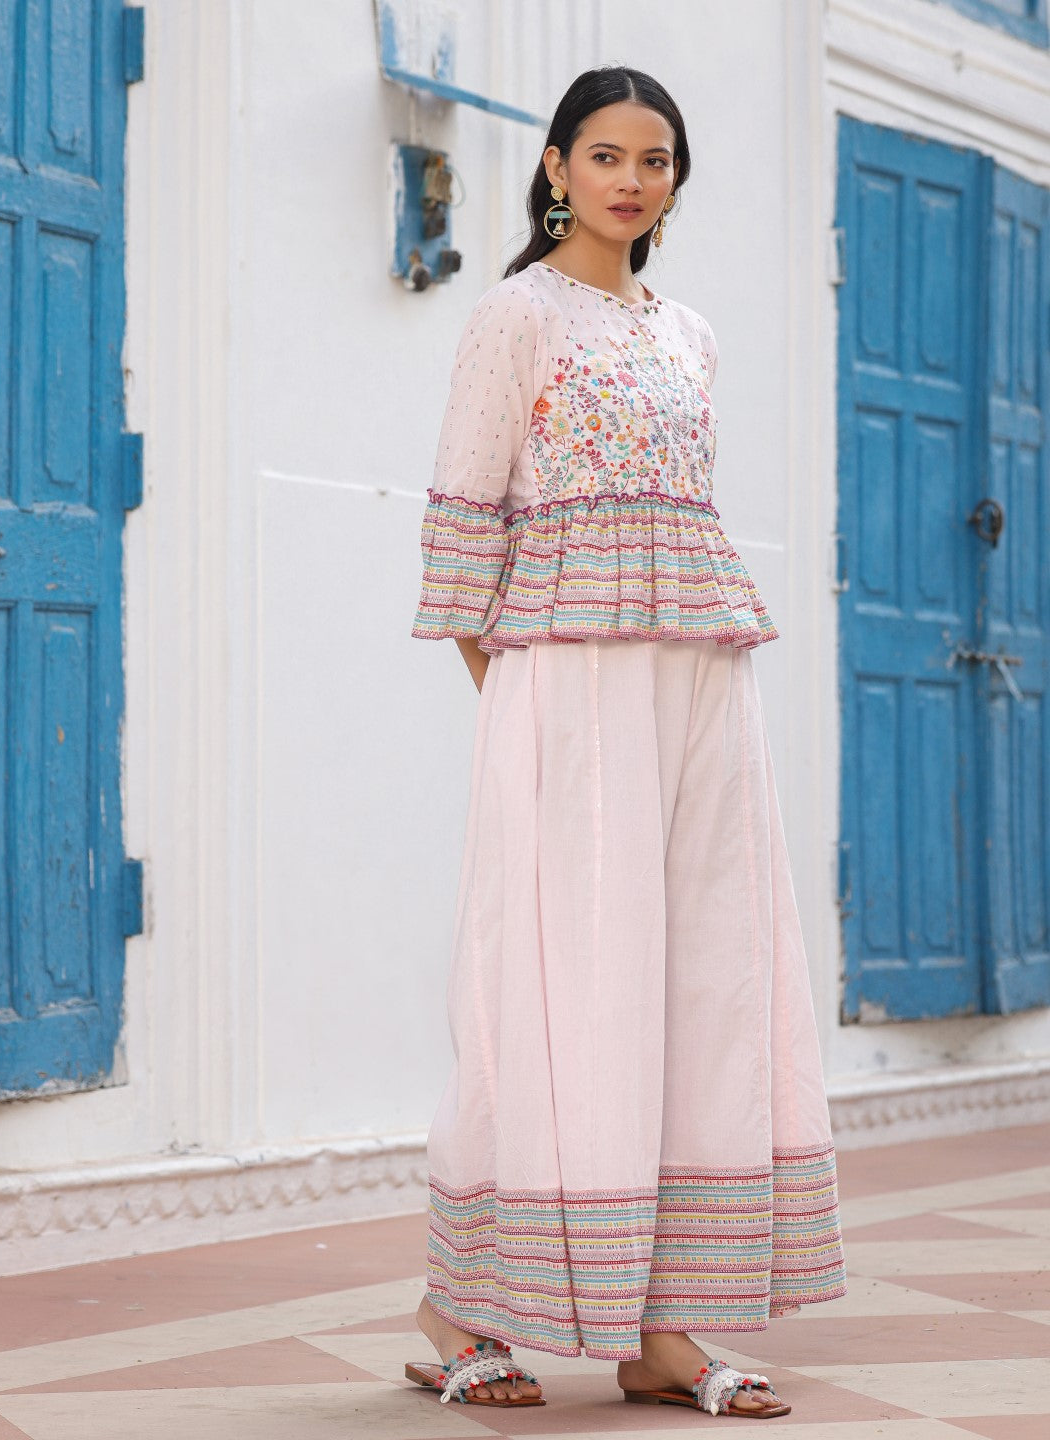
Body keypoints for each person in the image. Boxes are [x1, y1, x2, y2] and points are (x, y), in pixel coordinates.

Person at [403, 65, 846, 1418]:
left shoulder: (690, 335)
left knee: (704, 978)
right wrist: (527, 714)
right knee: (559, 984)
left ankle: (663, 1329)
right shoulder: (516, 316)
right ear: (556, 167)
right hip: (570, 695)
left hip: (701, 682)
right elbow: (466, 523)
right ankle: (458, 1308)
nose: (632, 179)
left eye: (656, 159)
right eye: (606, 154)